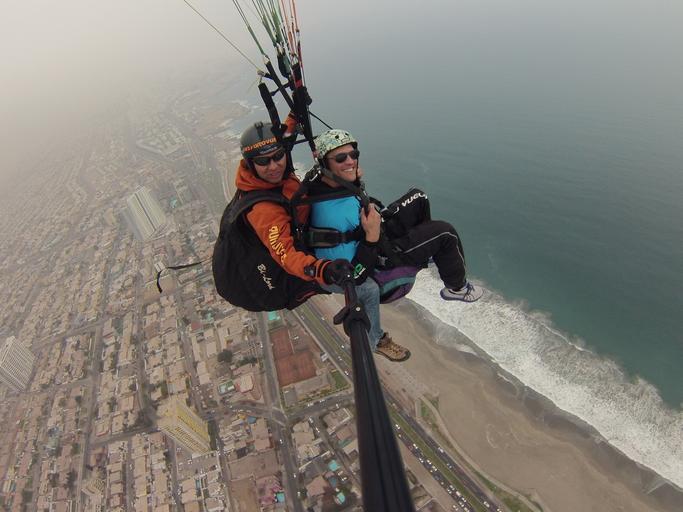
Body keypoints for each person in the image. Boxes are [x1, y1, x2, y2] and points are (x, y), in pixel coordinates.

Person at [306, 129, 483, 360]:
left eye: (353, 154)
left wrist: (354, 179)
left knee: (418, 197)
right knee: (445, 233)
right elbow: (356, 277)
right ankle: (456, 287)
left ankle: (426, 250)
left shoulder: (325, 183)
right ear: (325, 164)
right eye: (341, 158)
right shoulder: (335, 217)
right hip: (378, 254)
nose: (350, 161)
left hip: (374, 230)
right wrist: (371, 236)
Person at [234, 121, 352, 293]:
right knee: (369, 290)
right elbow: (286, 255)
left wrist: (295, 114)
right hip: (302, 262)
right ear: (251, 164)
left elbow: (284, 134)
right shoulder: (264, 210)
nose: (274, 166)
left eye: (278, 155)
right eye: (263, 161)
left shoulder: (272, 176)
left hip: (306, 219)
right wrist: (322, 270)